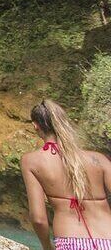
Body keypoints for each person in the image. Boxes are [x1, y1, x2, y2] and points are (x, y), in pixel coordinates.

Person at [21, 99, 111, 250]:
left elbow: (38, 219)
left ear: (35, 125)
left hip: (71, 241)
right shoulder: (99, 159)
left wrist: (47, 246)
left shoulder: (31, 162)